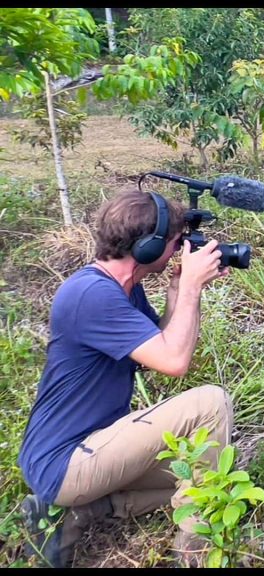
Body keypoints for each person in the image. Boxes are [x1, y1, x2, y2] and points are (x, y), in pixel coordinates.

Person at [17, 189, 234, 567]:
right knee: (211, 403)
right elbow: (175, 360)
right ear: (149, 249)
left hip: (92, 448)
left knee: (209, 472)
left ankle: (83, 512)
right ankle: (196, 553)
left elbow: (158, 349)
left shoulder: (123, 290)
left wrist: (178, 292)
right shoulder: (92, 295)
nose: (181, 249)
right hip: (65, 461)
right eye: (176, 242)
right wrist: (193, 287)